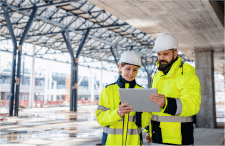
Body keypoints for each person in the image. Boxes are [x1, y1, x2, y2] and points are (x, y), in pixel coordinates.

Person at [145, 33, 201, 146]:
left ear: (175, 53)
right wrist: (148, 130)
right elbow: (153, 107)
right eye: (159, 54)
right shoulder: (157, 76)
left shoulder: (187, 74)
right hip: (157, 137)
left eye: (165, 54)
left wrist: (166, 102)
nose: (161, 58)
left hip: (179, 140)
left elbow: (192, 105)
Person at [96, 50, 151, 146]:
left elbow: (144, 122)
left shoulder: (141, 91)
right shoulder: (108, 90)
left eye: (135, 70)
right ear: (120, 67)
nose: (131, 73)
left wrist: (143, 110)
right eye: (128, 69)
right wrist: (116, 113)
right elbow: (100, 118)